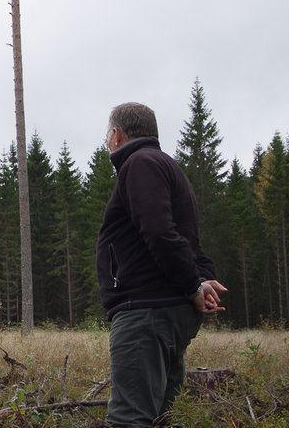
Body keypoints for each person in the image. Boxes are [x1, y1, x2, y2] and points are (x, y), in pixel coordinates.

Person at [96, 102, 228, 427]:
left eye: (106, 134)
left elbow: (160, 232)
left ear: (116, 135)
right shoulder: (166, 166)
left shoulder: (139, 164)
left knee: (131, 419)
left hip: (144, 312)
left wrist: (194, 285)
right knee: (159, 419)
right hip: (164, 311)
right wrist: (201, 279)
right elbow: (187, 240)